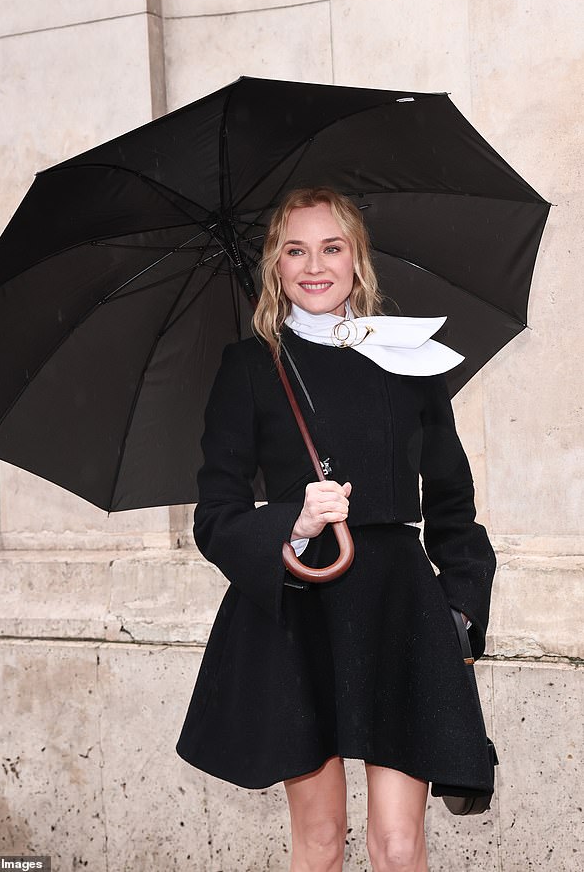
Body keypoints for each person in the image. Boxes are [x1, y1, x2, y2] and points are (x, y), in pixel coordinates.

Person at [176, 187, 496, 872]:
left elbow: (451, 502)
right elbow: (214, 516)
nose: (314, 265)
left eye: (331, 247)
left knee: (400, 843)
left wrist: (462, 610)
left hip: (398, 609)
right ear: (275, 264)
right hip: (301, 609)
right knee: (320, 842)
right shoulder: (248, 367)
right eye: (295, 248)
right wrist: (292, 521)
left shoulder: (409, 356)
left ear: (358, 260)